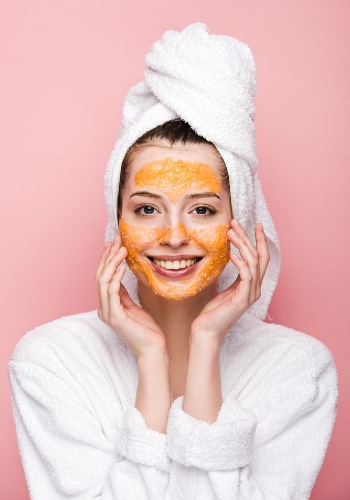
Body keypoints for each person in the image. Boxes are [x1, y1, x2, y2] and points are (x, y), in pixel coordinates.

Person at [8, 23, 338, 499]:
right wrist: (150, 360)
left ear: (238, 218)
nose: (175, 236)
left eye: (202, 209)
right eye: (146, 209)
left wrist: (206, 344)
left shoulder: (297, 370)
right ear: (116, 217)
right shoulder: (52, 360)